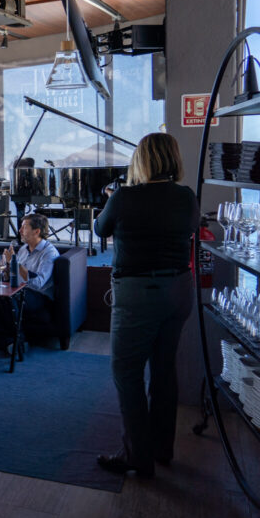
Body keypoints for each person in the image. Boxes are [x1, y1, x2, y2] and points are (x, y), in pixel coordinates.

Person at [93, 132, 198, 479]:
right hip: (179, 290)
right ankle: (162, 448)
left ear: (141, 160)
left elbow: (100, 229)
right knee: (164, 370)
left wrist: (112, 200)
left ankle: (137, 456)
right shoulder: (186, 196)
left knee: (127, 372)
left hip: (138, 294)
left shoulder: (124, 197)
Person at [2, 213, 59, 330]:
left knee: (8, 299)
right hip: (20, 289)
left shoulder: (49, 253)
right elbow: (15, 275)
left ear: (36, 231)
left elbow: (38, 284)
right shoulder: (24, 249)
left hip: (39, 295)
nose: (20, 230)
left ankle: (18, 338)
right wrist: (7, 268)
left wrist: (14, 262)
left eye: (24, 227)